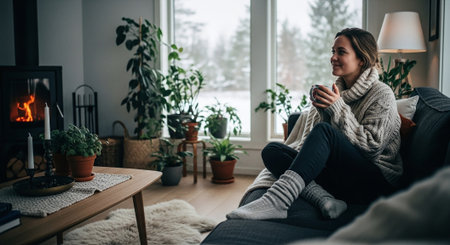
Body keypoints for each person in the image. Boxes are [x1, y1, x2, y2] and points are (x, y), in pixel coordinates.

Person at [227, 28, 402, 220]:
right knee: (273, 151)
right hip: (340, 178)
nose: (333, 57)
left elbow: (371, 148)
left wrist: (337, 108)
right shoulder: (337, 92)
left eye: (341, 52)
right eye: (332, 51)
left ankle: (278, 200)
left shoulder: (382, 94)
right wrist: (322, 110)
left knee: (324, 132)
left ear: (362, 59)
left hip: (374, 181)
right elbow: (319, 147)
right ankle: (325, 199)